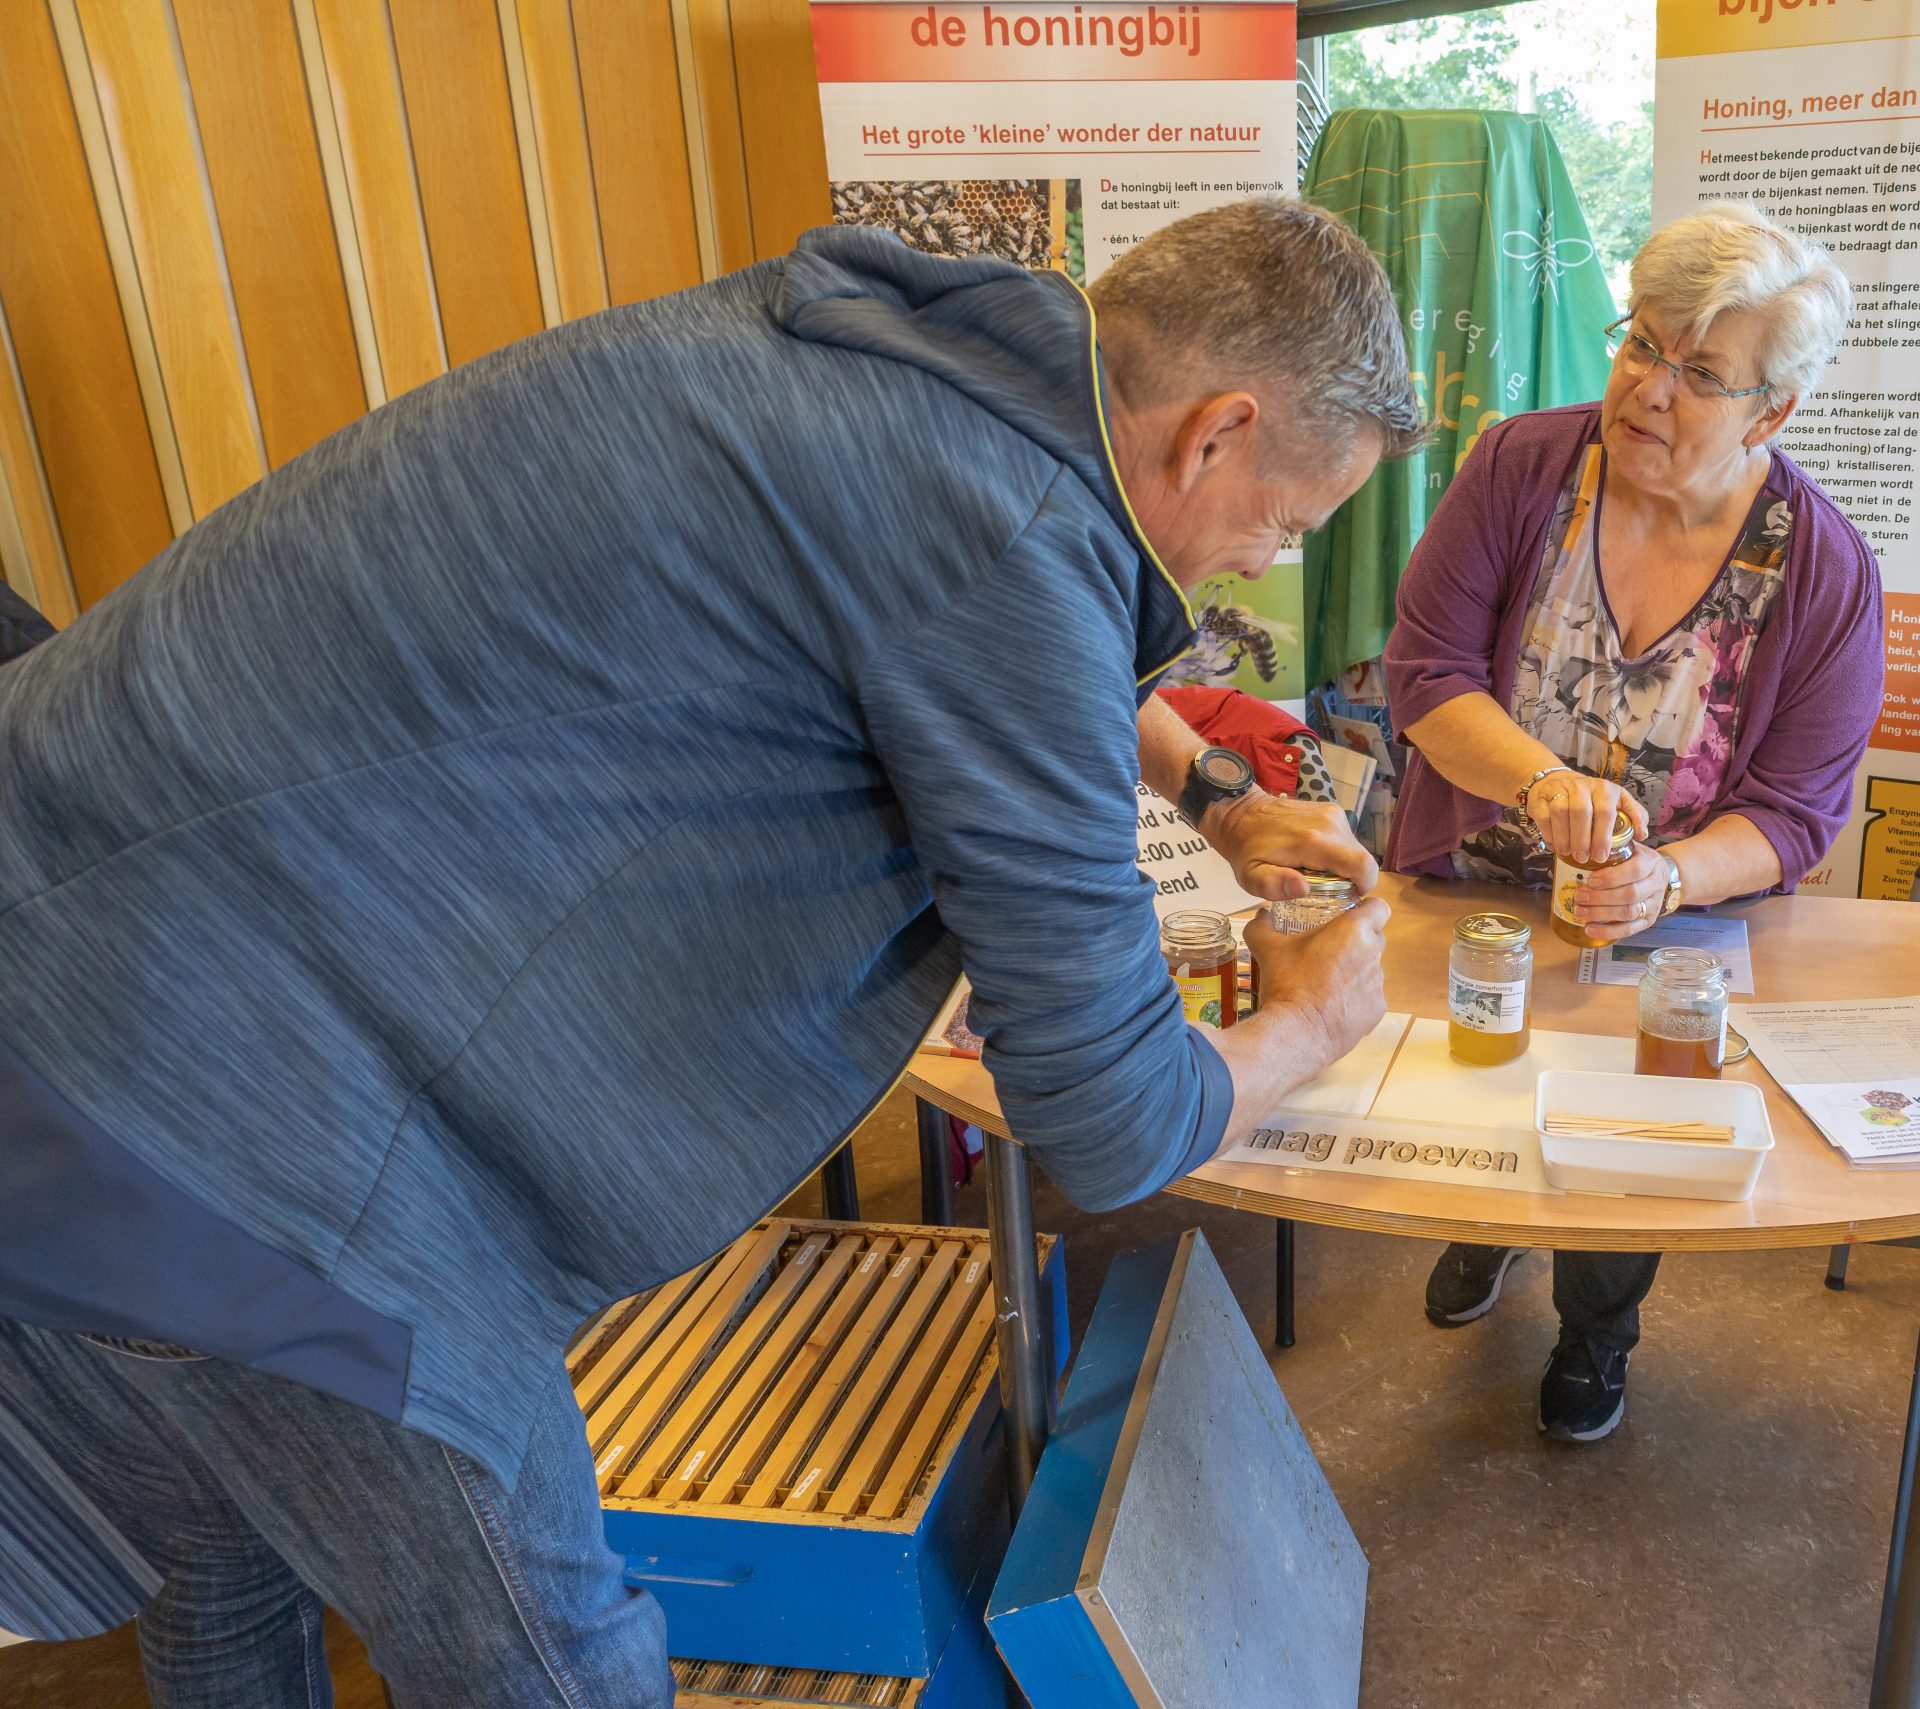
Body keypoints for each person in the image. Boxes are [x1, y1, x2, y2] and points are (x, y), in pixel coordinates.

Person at [0, 198, 1423, 1705]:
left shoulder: (903, 367)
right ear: (1218, 432)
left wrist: (1212, 791)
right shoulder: (1005, 532)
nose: (1262, 563)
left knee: (234, 1529)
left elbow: (959, 621)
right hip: (235, 1121)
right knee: (546, 1651)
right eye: (1288, 521)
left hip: (76, 961)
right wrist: (1316, 1022)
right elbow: (1114, 1116)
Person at [1384, 203, 1884, 1444]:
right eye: (1641, 345)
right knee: (1481, 1087)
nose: (1650, 389)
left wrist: (1665, 878)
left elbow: (1798, 810)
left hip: (1676, 917)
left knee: (1635, 1126)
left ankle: (1597, 1326)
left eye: (1699, 374)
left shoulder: (1823, 570)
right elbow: (1427, 673)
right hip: (1482, 875)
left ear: (1772, 412)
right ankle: (1486, 1225)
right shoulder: (1521, 467)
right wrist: (1538, 785)